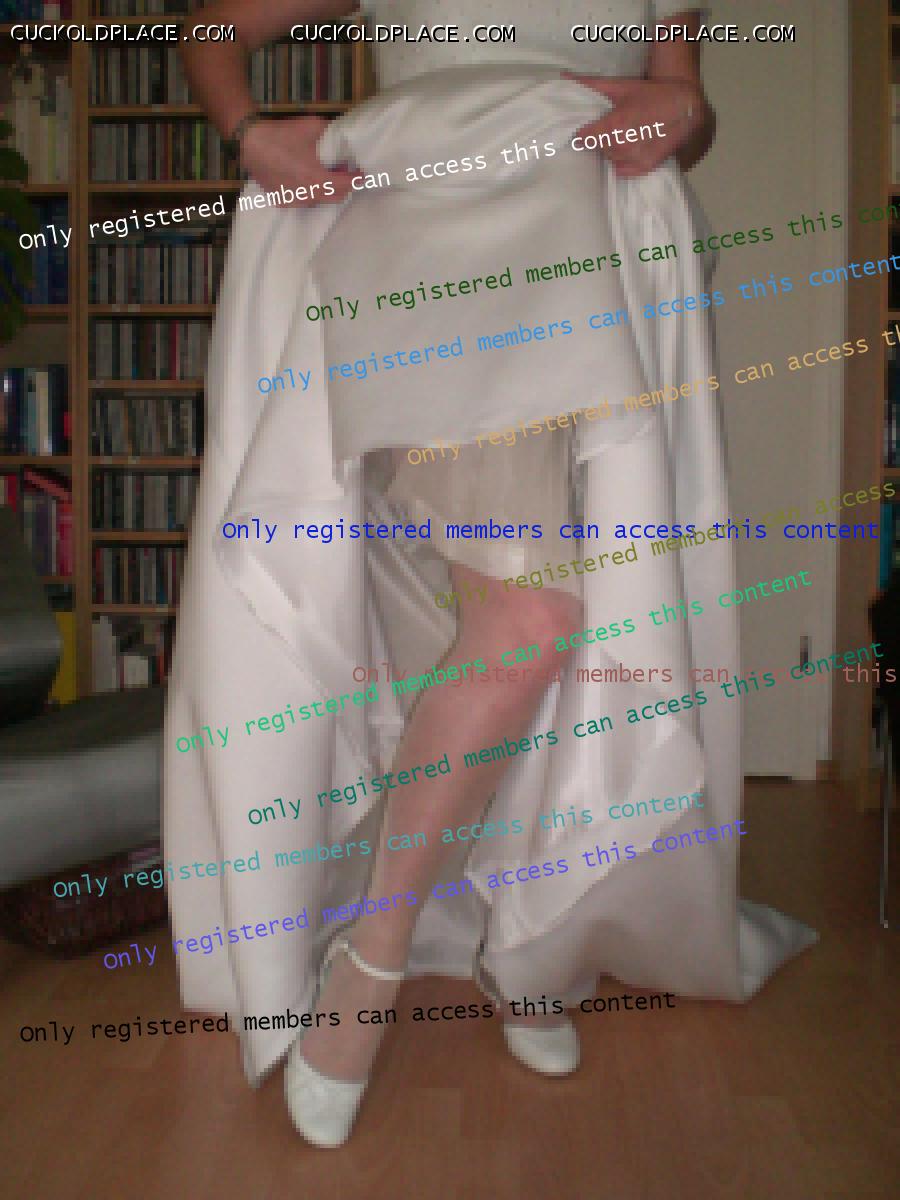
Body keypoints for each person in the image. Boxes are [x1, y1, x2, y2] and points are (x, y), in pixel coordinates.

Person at [167, 0, 816, 1150]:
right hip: (434, 253)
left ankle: (526, 941)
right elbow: (215, 28)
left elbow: (686, 99)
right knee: (521, 626)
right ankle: (372, 965)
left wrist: (683, 114)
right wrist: (249, 132)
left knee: (556, 630)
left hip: (590, 257)